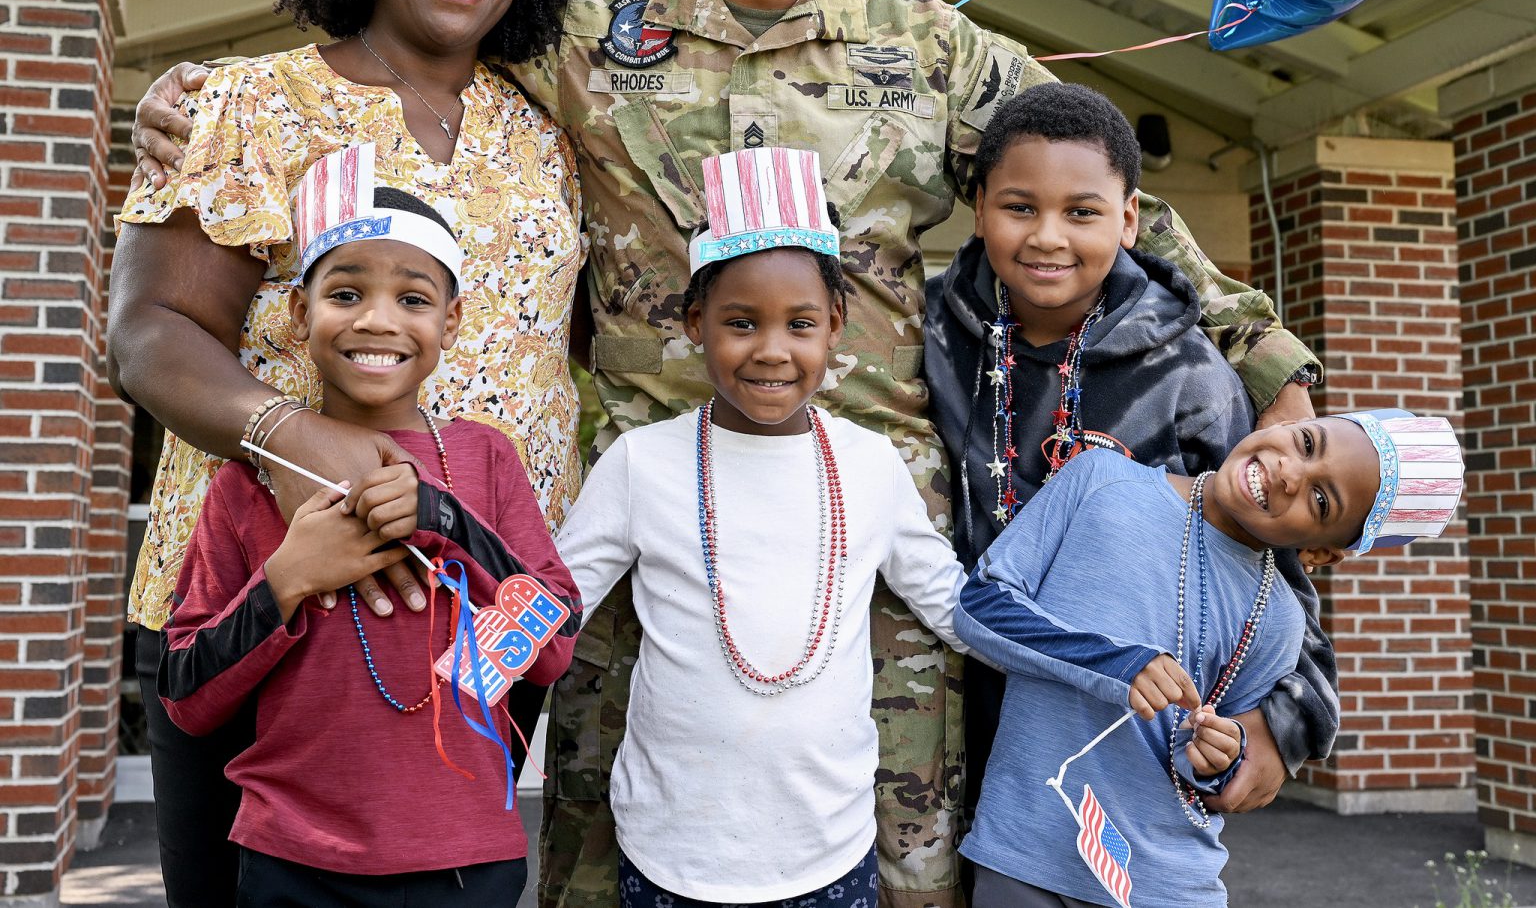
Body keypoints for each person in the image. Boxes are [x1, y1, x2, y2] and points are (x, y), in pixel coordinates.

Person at [128, 0, 1325, 908]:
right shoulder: (581, 27)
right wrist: (204, 100)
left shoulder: (928, 48)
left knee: (902, 853)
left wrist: (1267, 356)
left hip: (869, 530)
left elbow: (1108, 196)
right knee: (597, 841)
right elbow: (406, 25)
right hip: (645, 518)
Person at [107, 0, 583, 906]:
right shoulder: (244, 104)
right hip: (269, 604)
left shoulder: (546, 137)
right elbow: (149, 334)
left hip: (473, 614)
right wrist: (305, 440)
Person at [553, 146, 973, 906]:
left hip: (827, 849)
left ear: (835, 326)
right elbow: (552, 602)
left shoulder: (871, 464)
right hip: (670, 848)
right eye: (741, 322)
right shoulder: (641, 463)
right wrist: (447, 671)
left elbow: (953, 604)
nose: (772, 349)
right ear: (695, 323)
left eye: (800, 323)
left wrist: (1090, 652)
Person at [160, 157, 582, 906]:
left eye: (412, 297)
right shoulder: (248, 483)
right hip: (292, 863)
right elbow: (187, 692)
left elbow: (550, 645)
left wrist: (444, 520)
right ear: (299, 314)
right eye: (346, 293)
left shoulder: (484, 459)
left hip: (462, 862)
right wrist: (288, 577)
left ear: (450, 321)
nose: (377, 319)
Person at [922, 83, 1335, 829]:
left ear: (1131, 217)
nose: (1049, 236)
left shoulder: (1189, 379)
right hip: (940, 727)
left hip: (1113, 753)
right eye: (1021, 207)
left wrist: (1283, 726)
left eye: (1082, 211)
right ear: (978, 205)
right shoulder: (925, 339)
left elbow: (1275, 580)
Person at [954, 409, 1464, 907]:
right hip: (1026, 852)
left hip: (1167, 882)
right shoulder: (1100, 478)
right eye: (1307, 444)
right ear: (1285, 423)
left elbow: (1208, 766)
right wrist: (1114, 664)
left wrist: (1219, 754)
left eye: (1321, 500)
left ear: (1320, 554)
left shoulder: (1277, 619)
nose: (1290, 473)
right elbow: (980, 606)